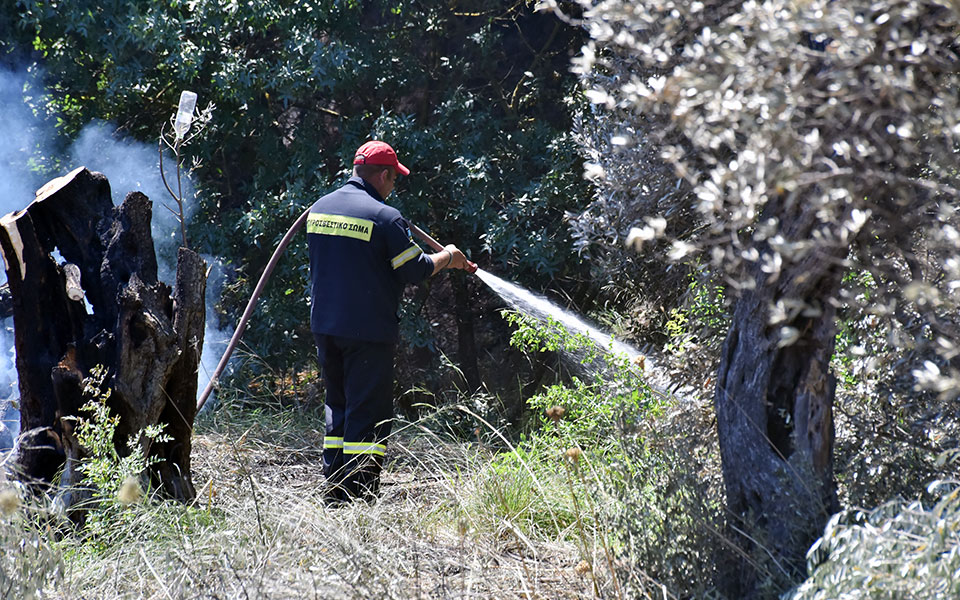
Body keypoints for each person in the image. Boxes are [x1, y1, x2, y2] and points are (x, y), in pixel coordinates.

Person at [308, 140, 473, 503]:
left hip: (325, 327)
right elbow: (416, 270)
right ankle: (359, 494)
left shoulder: (320, 208)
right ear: (382, 175)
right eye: (394, 179)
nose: (393, 186)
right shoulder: (385, 217)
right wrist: (449, 256)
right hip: (367, 332)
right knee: (368, 410)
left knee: (338, 405)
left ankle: (335, 490)